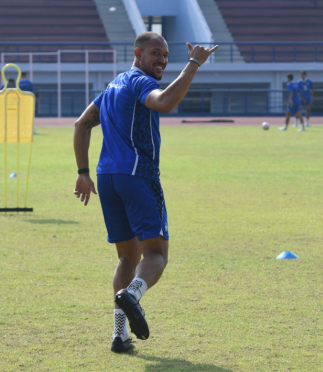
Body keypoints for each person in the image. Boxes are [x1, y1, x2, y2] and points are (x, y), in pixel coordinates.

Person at [73, 32, 218, 353]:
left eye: (166, 56)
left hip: (107, 177)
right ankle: (133, 294)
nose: (162, 60)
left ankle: (119, 335)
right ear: (138, 53)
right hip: (138, 175)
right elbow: (164, 102)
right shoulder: (139, 82)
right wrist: (194, 64)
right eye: (155, 53)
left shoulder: (113, 86)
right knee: (156, 254)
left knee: (127, 256)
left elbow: (81, 124)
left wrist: (83, 173)